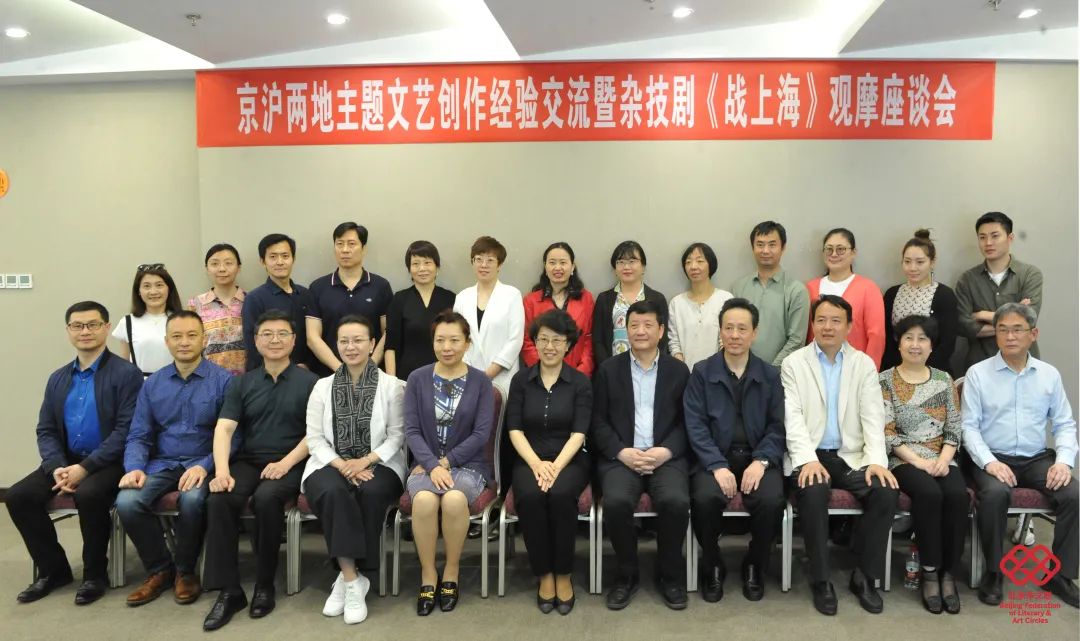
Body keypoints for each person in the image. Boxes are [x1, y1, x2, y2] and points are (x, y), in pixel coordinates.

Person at [7, 301, 143, 605]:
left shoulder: (126, 374)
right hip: (65, 460)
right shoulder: (58, 378)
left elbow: (126, 430)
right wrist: (56, 466)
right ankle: (54, 571)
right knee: (18, 496)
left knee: (90, 494)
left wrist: (86, 468)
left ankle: (95, 574)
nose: (85, 331)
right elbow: (46, 429)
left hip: (110, 462)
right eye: (77, 326)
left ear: (106, 328)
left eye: (93, 324)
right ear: (68, 330)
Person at [200, 310, 319, 630]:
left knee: (267, 499)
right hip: (249, 460)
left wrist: (285, 463)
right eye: (267, 334)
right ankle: (230, 590)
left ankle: (265, 585)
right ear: (255, 340)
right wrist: (221, 471)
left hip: (292, 461)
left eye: (282, 334)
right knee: (220, 499)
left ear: (294, 341)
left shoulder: (312, 383)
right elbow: (224, 429)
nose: (274, 340)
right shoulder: (243, 382)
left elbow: (316, 433)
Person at [781, 294, 899, 616]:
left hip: (851, 456)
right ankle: (821, 580)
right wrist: (807, 459)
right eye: (821, 320)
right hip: (810, 454)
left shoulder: (863, 364)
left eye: (836, 321)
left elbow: (873, 416)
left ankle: (865, 576)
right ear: (813, 324)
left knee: (885, 491)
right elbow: (792, 417)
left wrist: (876, 461)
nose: (827, 327)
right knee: (813, 491)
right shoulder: (794, 363)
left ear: (849, 326)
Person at [962, 302, 1078, 609]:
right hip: (991, 456)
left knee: (1074, 494)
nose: (1010, 336)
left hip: (1036, 459)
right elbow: (969, 427)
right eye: (1003, 330)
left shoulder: (1048, 375)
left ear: (1033, 334)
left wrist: (1064, 462)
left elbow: (1064, 423)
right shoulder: (978, 374)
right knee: (995, 494)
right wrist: (989, 462)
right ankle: (993, 571)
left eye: (1017, 330)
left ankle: (1060, 575)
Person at [115, 311, 233, 607]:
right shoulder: (152, 384)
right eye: (177, 336)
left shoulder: (224, 381)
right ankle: (160, 570)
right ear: (167, 342)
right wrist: (135, 468)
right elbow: (139, 434)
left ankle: (185, 571)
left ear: (204, 340)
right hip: (161, 463)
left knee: (191, 501)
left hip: (201, 463)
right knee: (127, 502)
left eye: (192, 335)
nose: (184, 342)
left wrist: (205, 465)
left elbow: (235, 435)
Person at [303, 315, 407, 625]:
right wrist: (343, 465)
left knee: (371, 491)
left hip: (380, 461)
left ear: (372, 344)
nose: (351, 347)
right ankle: (352, 579)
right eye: (344, 341)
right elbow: (314, 439)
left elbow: (397, 436)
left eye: (358, 340)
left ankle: (347, 577)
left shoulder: (392, 386)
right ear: (336, 345)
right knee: (333, 491)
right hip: (329, 462)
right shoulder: (322, 386)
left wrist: (365, 461)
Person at [591, 299, 691, 611]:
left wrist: (666, 451)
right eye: (634, 325)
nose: (640, 331)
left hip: (665, 457)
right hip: (623, 456)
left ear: (661, 331)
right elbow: (597, 421)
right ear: (626, 330)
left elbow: (688, 422)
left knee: (675, 501)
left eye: (648, 325)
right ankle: (627, 575)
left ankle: (669, 575)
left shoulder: (678, 371)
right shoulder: (609, 370)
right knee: (617, 502)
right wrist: (621, 452)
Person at [684, 298, 785, 604]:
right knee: (703, 498)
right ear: (720, 332)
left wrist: (762, 460)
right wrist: (717, 465)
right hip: (715, 457)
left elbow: (778, 425)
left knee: (771, 500)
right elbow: (695, 425)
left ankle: (755, 563)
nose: (735, 335)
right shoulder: (702, 372)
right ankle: (712, 563)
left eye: (742, 329)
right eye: (728, 328)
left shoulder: (770, 375)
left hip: (757, 458)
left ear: (754, 333)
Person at [403, 311, 495, 615]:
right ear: (432, 342)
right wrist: (432, 465)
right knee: (424, 501)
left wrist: (446, 461)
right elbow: (412, 431)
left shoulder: (481, 381)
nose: (447, 347)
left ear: (467, 343)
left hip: (468, 465)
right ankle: (428, 574)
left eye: (454, 340)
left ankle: (452, 571)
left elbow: (481, 433)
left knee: (455, 500)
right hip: (425, 464)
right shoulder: (417, 378)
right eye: (440, 340)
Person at [879, 315, 966, 614]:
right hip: (903, 458)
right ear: (898, 343)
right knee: (929, 494)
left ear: (931, 345)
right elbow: (887, 432)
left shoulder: (943, 380)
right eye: (909, 338)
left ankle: (948, 573)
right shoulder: (884, 380)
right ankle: (929, 572)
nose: (915, 345)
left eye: (922, 339)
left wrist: (943, 459)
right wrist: (919, 462)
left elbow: (954, 428)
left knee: (957, 495)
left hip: (942, 457)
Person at [507, 310, 591, 615]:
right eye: (543, 339)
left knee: (560, 495)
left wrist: (554, 466)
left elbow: (579, 433)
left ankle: (564, 574)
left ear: (568, 344)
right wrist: (537, 464)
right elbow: (514, 429)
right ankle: (544, 574)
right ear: (535, 342)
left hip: (569, 460)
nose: (550, 346)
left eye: (557, 340)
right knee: (530, 496)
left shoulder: (580, 383)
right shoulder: (521, 380)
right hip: (529, 459)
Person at [956, 212, 1043, 372]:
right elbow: (963, 325)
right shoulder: (967, 280)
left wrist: (981, 315)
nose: (988, 242)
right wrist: (1015, 319)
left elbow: (1030, 317)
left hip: (1024, 365)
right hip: (980, 366)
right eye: (982, 237)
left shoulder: (1030, 274)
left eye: (995, 236)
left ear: (1010, 238)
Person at [307, 222, 394, 376]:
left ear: (364, 249)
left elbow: (388, 331)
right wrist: (341, 371)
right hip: (329, 374)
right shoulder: (318, 287)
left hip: (372, 375)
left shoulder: (381, 286)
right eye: (339, 244)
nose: (345, 250)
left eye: (351, 244)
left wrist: (369, 367)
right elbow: (312, 337)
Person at [452, 235, 525, 395]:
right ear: (472, 262)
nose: (484, 265)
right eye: (479, 259)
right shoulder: (462, 297)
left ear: (499, 264)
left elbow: (515, 339)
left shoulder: (512, 295)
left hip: (501, 378)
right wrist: (469, 372)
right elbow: (456, 338)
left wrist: (488, 374)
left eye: (490, 260)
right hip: (466, 376)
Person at [731, 221, 810, 366]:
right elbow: (731, 332)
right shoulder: (739, 288)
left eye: (772, 245)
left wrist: (771, 372)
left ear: (783, 247)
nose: (765, 250)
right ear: (753, 247)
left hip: (780, 374)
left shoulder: (796, 290)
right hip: (740, 371)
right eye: (760, 245)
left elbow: (796, 341)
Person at [806, 229, 886, 369]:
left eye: (841, 249)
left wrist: (869, 372)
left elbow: (876, 335)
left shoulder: (868, 288)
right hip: (815, 368)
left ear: (853, 252)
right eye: (829, 249)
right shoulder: (810, 288)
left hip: (854, 369)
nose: (834, 254)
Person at [882, 230, 959, 375]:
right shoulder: (892, 294)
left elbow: (947, 344)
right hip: (897, 370)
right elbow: (887, 339)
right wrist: (900, 371)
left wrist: (921, 372)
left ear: (932, 262)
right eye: (907, 261)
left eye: (920, 262)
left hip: (934, 372)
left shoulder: (944, 295)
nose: (912, 268)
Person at [384, 240, 456, 381]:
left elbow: (458, 340)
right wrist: (392, 383)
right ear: (409, 268)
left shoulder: (451, 299)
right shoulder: (399, 299)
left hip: (445, 376)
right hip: (407, 377)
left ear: (437, 266)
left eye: (427, 263)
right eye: (416, 264)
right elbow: (390, 346)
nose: (422, 268)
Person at [521, 242, 595, 377]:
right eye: (552, 262)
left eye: (563, 262)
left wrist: (580, 373)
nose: (557, 267)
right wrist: (544, 372)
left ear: (572, 267)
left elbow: (589, 341)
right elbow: (527, 342)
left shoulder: (586, 299)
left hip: (577, 376)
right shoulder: (531, 301)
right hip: (540, 377)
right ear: (545, 267)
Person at [242, 233, 313, 371]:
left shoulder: (305, 294)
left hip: (306, 373)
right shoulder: (254, 298)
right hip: (269, 375)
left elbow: (314, 336)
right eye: (273, 257)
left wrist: (308, 365)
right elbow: (252, 343)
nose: (280, 262)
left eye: (285, 256)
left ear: (293, 259)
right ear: (263, 261)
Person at [593, 240, 668, 366]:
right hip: (613, 369)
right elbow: (598, 340)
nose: (626, 267)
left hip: (649, 368)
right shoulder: (604, 299)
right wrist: (607, 368)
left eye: (632, 261)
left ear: (643, 266)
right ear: (615, 268)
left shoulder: (657, 298)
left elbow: (663, 339)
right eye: (621, 262)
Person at [667, 242, 732, 370]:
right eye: (688, 262)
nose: (693, 266)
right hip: (685, 374)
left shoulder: (725, 299)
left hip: (718, 372)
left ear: (711, 265)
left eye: (700, 261)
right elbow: (674, 343)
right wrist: (683, 369)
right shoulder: (676, 303)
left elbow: (727, 340)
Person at [112, 264, 183, 376]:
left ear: (169, 289)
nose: (153, 291)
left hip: (176, 382)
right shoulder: (127, 322)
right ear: (138, 291)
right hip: (141, 383)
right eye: (147, 286)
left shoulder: (182, 320)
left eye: (159, 285)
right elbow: (125, 364)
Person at [187, 243, 246, 376]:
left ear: (238, 268)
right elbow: (192, 343)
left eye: (228, 263)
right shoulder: (195, 304)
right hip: (208, 379)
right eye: (215, 264)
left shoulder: (251, 301)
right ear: (207, 269)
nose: (222, 269)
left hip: (246, 379)